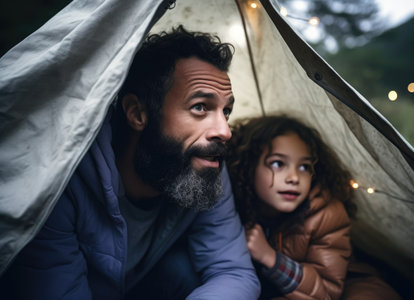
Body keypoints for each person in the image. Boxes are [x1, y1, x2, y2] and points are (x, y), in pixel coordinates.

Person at [1, 26, 260, 300]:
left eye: (226, 111)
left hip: (139, 287)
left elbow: (235, 273)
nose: (225, 131)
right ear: (138, 113)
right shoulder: (60, 180)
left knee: (182, 269)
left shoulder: (205, 166)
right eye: (200, 107)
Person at [226, 115, 401, 300]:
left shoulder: (326, 213)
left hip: (349, 289)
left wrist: (270, 257)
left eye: (304, 167)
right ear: (248, 166)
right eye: (278, 163)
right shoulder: (232, 204)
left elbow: (326, 292)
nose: (293, 177)